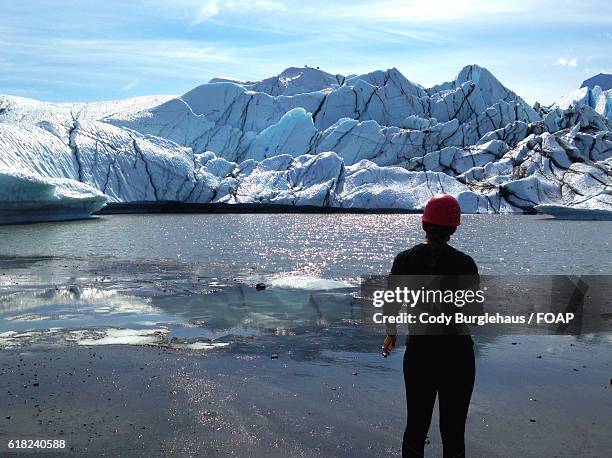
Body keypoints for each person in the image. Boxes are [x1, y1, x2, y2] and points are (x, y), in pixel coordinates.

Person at [382, 194, 479, 458]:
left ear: (424, 224)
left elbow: (391, 304)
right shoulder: (465, 264)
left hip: (420, 355)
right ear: (454, 228)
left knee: (415, 427)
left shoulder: (404, 260)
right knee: (453, 432)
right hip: (458, 356)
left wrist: (391, 334)